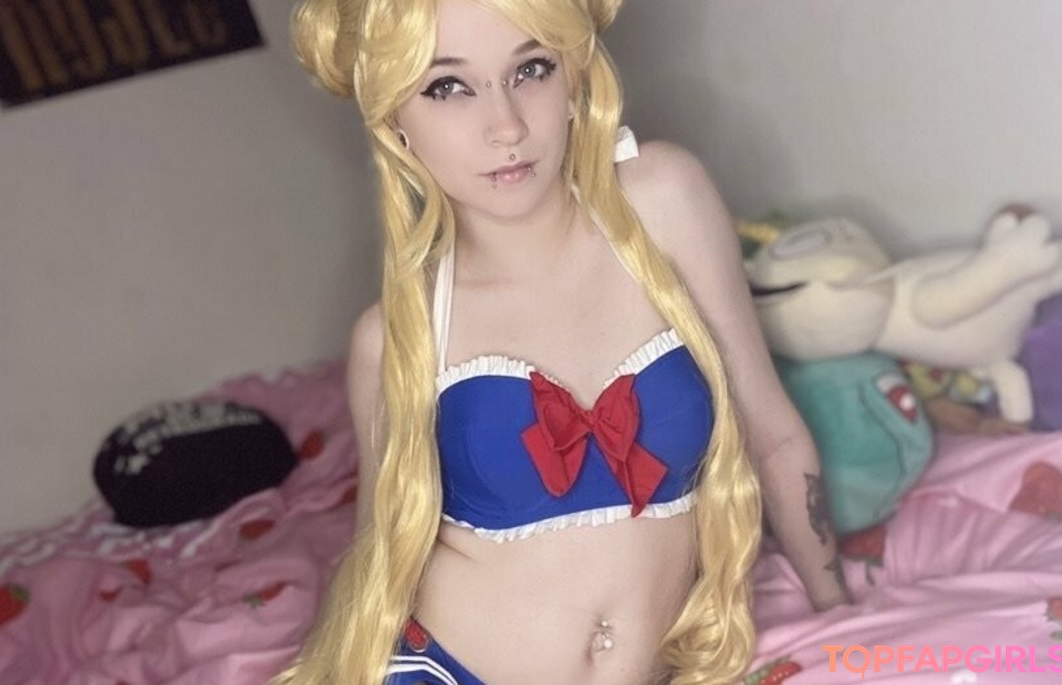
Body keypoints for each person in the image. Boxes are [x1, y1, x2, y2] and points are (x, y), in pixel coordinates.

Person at [277, 0, 851, 683]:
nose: (507, 126)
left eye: (532, 69)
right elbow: (379, 559)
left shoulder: (663, 200)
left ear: (574, 74)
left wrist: (839, 612)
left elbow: (774, 436)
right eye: (447, 86)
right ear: (394, 118)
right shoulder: (395, 337)